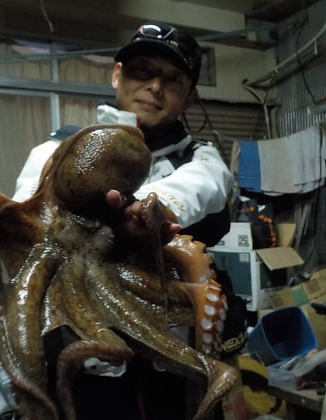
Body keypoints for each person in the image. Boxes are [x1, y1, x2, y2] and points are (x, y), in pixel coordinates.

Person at [13, 21, 244, 419]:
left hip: (174, 365)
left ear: (190, 97)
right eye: (142, 71)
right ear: (117, 74)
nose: (155, 86)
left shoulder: (200, 158)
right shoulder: (57, 150)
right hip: (87, 364)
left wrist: (151, 210)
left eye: (173, 79)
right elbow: (25, 224)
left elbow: (202, 185)